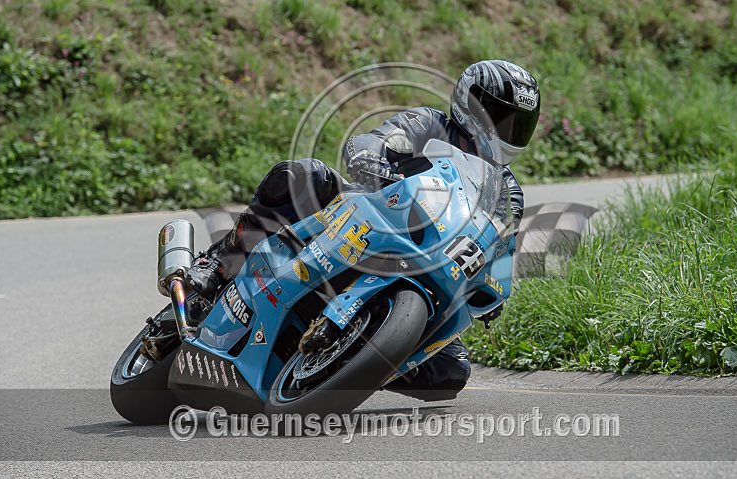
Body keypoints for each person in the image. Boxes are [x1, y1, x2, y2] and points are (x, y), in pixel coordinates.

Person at [186, 60, 541, 401]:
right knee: (305, 176)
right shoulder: (428, 123)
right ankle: (219, 264)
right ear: (470, 104)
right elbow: (373, 140)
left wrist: (490, 282)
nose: (504, 130)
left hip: (426, 263)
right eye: (498, 117)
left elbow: (500, 243)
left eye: (516, 123)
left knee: (449, 375)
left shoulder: (505, 189)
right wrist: (373, 160)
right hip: (362, 219)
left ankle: (354, 355)